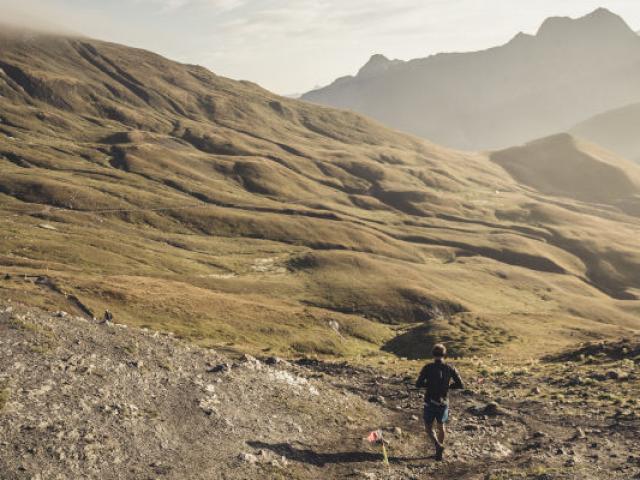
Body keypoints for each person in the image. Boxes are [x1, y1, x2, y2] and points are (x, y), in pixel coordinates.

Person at [415, 343, 464, 461]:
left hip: (430, 401)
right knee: (441, 426)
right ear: (444, 354)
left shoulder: (427, 367)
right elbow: (460, 385)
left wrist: (429, 385)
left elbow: (418, 384)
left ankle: (437, 445)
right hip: (444, 401)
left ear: (433, 354)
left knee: (428, 427)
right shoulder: (450, 368)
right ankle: (439, 452)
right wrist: (447, 387)